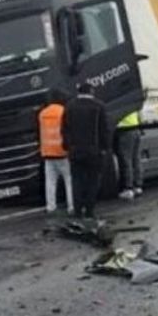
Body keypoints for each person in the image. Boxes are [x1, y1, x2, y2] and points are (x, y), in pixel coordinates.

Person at [61, 83, 111, 219]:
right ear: (91, 91)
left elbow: (64, 130)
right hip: (94, 151)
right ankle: (89, 210)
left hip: (75, 151)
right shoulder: (99, 106)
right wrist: (105, 148)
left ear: (78, 91)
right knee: (93, 181)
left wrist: (67, 147)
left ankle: (78, 211)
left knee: (77, 181)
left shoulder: (69, 106)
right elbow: (104, 130)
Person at [38, 91, 73, 216]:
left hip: (47, 152)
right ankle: (71, 206)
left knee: (50, 182)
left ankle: (51, 206)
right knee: (69, 180)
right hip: (62, 152)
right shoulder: (64, 111)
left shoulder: (42, 114)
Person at [116, 109, 143, 200]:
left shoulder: (120, 105)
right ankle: (138, 186)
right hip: (136, 129)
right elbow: (140, 117)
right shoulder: (133, 104)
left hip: (125, 131)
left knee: (126, 160)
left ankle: (128, 188)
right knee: (136, 159)